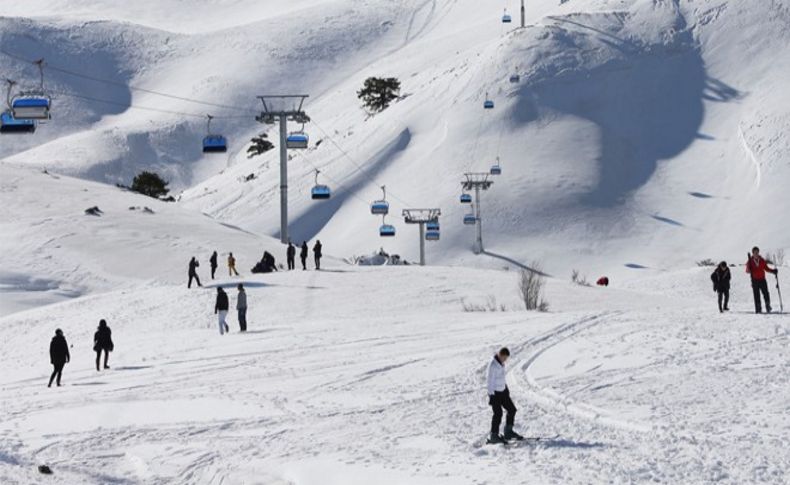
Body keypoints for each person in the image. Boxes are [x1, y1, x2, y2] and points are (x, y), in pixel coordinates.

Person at [486, 347, 523, 443]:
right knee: (498, 414)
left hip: (503, 392)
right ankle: (493, 435)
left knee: (512, 409)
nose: (505, 360)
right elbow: (490, 382)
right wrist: (491, 396)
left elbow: (501, 378)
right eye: (504, 358)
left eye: (506, 358)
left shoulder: (501, 363)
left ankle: (508, 432)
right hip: (495, 394)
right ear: (500, 355)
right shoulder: (493, 365)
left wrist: (505, 388)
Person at [746, 246, 778, 313]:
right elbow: (747, 271)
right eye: (755, 252)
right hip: (754, 281)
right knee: (756, 295)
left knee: (766, 293)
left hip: (762, 280)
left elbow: (766, 268)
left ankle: (768, 306)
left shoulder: (762, 260)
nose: (756, 254)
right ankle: (758, 308)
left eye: (757, 252)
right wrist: (749, 269)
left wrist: (773, 271)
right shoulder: (750, 261)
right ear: (753, 253)